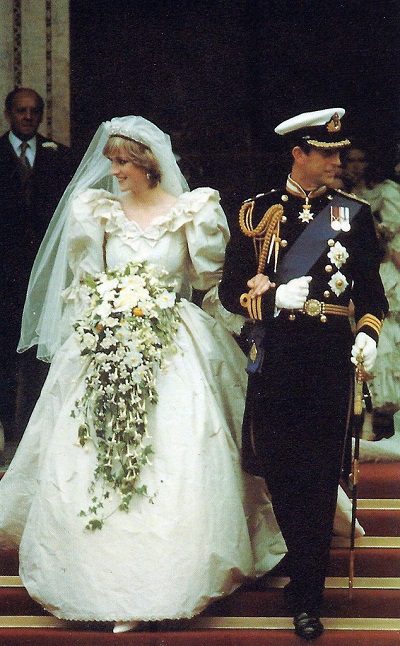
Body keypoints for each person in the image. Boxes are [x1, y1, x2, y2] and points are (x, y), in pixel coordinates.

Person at [0, 115, 287, 631]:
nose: (112, 172)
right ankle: (99, 578)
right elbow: (87, 283)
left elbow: (206, 282)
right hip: (109, 339)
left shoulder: (192, 212)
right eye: (110, 162)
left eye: (121, 163)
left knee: (183, 447)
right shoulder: (97, 214)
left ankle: (178, 573)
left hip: (173, 339)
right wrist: (102, 320)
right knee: (96, 449)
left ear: (147, 164)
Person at [219, 108, 388, 640]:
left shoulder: (353, 215)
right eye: (327, 152)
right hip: (276, 360)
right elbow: (229, 292)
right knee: (284, 473)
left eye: (339, 152)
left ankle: (309, 591)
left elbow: (373, 295)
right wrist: (268, 305)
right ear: (299, 154)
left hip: (327, 362)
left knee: (318, 475)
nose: (337, 161)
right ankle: (302, 568)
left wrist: (367, 334)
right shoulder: (256, 212)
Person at [0, 87, 75, 442]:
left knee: (39, 352)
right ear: (9, 114)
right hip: (3, 274)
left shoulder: (59, 157)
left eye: (34, 111)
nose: (27, 116)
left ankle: (32, 432)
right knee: (3, 351)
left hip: (43, 273)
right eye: (20, 110)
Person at [343, 145, 400, 429]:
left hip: (382, 270)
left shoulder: (385, 192)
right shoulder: (337, 196)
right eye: (350, 161)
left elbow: (391, 241)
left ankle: (384, 417)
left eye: (361, 160)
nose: (355, 167)